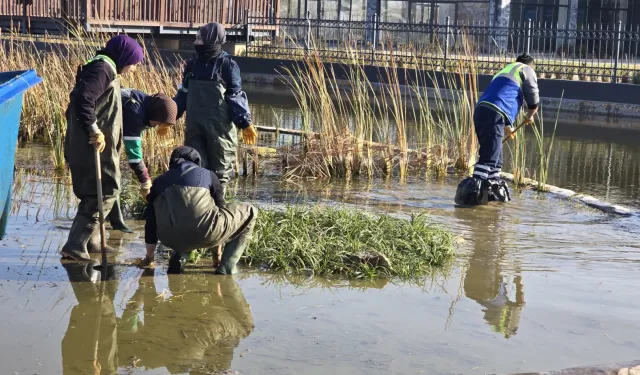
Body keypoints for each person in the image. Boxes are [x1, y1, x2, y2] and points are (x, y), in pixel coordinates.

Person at [61, 35, 144, 261]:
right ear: (124, 57)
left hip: (93, 144)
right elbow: (83, 98)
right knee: (106, 191)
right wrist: (94, 129)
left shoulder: (105, 66)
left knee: (96, 192)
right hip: (91, 145)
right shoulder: (103, 69)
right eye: (134, 62)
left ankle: (92, 242)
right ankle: (75, 245)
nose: (134, 68)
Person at [143, 146, 257, 275]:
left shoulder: (159, 181)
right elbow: (220, 211)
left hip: (168, 238)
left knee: (181, 218)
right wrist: (217, 254)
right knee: (251, 211)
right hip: (206, 233)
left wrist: (149, 258)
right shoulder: (208, 175)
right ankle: (227, 266)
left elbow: (151, 222)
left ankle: (180, 256)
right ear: (197, 161)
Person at [174, 22, 258, 192]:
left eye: (199, 38)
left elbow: (235, 96)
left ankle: (218, 210)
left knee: (220, 172)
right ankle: (200, 210)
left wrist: (245, 123)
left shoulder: (227, 65)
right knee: (195, 169)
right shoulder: (192, 66)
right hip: (195, 128)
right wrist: (170, 116)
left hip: (220, 132)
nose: (195, 42)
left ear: (211, 39)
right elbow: (183, 93)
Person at [455, 53, 540, 206]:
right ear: (531, 65)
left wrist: (508, 127)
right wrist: (530, 114)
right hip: (495, 114)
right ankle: (471, 202)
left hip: (483, 111)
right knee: (488, 158)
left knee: (496, 160)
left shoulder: (505, 71)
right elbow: (533, 96)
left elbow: (501, 98)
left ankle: (489, 200)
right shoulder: (526, 69)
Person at [107, 89, 178, 233]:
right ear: (155, 114)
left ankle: (115, 221)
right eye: (158, 123)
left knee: (112, 178)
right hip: (93, 132)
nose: (156, 126)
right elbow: (134, 155)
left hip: (107, 132)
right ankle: (105, 222)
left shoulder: (147, 104)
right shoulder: (134, 110)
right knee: (108, 177)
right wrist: (145, 180)